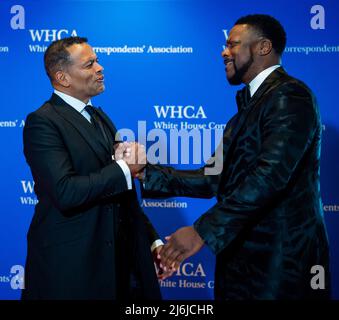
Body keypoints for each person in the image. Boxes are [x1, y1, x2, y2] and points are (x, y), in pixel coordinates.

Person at [140, 14, 331, 299]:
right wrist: (145, 173)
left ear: (263, 47)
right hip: (241, 259)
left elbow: (269, 178)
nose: (223, 52)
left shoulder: (290, 96)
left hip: (281, 262)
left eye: (233, 44)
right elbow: (214, 177)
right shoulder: (246, 110)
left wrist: (202, 231)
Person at [22, 36, 166, 300]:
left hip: (119, 267)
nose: (100, 68)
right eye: (89, 64)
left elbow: (120, 194)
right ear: (63, 77)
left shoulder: (99, 116)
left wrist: (150, 240)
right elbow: (65, 191)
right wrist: (124, 168)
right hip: (75, 272)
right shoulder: (42, 122)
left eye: (97, 61)